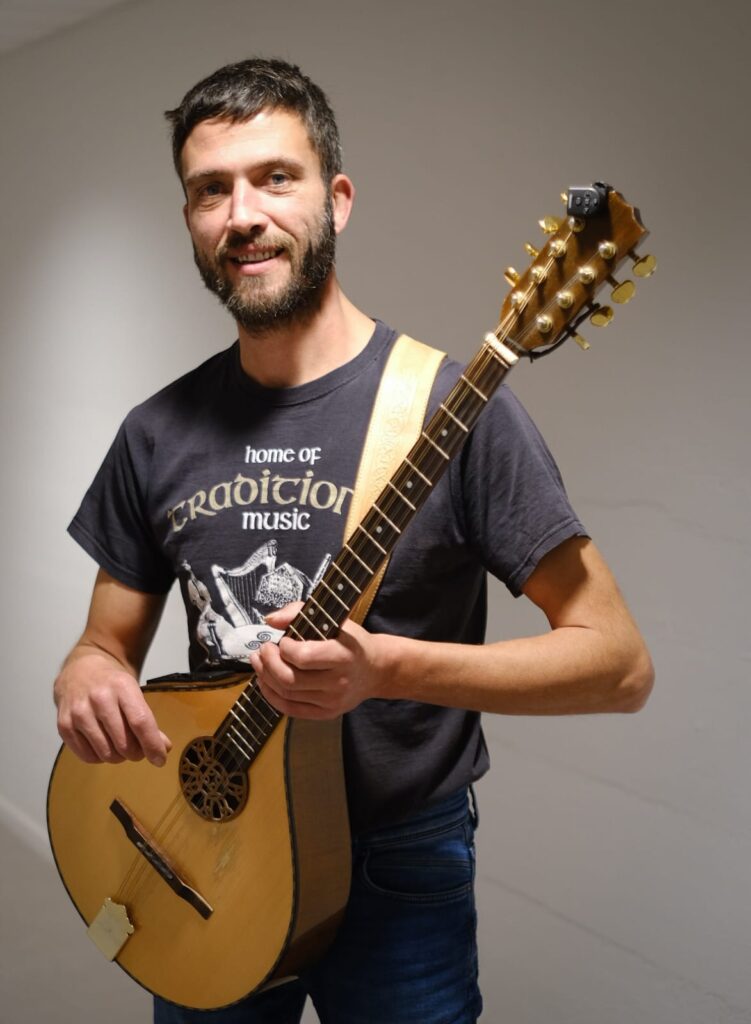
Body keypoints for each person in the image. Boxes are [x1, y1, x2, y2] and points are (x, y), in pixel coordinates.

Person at [53, 58, 654, 1024]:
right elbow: (104, 645)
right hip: (200, 841)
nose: (242, 213)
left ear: (335, 199)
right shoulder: (155, 431)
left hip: (395, 865)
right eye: (212, 189)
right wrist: (84, 673)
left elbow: (617, 666)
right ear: (192, 223)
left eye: (274, 177)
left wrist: (389, 671)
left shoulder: (452, 413)